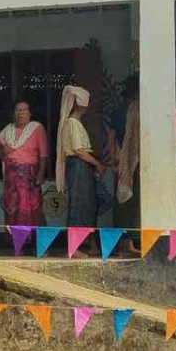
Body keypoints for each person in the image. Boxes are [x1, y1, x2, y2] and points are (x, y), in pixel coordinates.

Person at [55, 85, 103, 256]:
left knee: (88, 204)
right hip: (79, 166)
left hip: (83, 166)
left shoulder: (75, 123)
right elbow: (79, 151)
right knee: (79, 204)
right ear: (82, 105)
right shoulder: (72, 123)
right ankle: (73, 248)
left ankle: (91, 244)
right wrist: (97, 163)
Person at [0, 99, 50, 230]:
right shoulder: (9, 129)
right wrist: (4, 158)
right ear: (14, 113)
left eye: (24, 110)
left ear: (30, 114)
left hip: (30, 175)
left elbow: (43, 153)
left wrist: (41, 173)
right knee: (12, 206)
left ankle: (35, 238)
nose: (21, 113)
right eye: (18, 110)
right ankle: (17, 240)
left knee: (32, 206)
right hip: (11, 176)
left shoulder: (37, 127)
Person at [114, 74, 141, 255]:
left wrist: (116, 159)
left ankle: (125, 242)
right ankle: (126, 243)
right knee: (130, 202)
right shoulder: (134, 108)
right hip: (131, 160)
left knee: (124, 200)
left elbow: (112, 137)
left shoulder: (120, 108)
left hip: (124, 159)